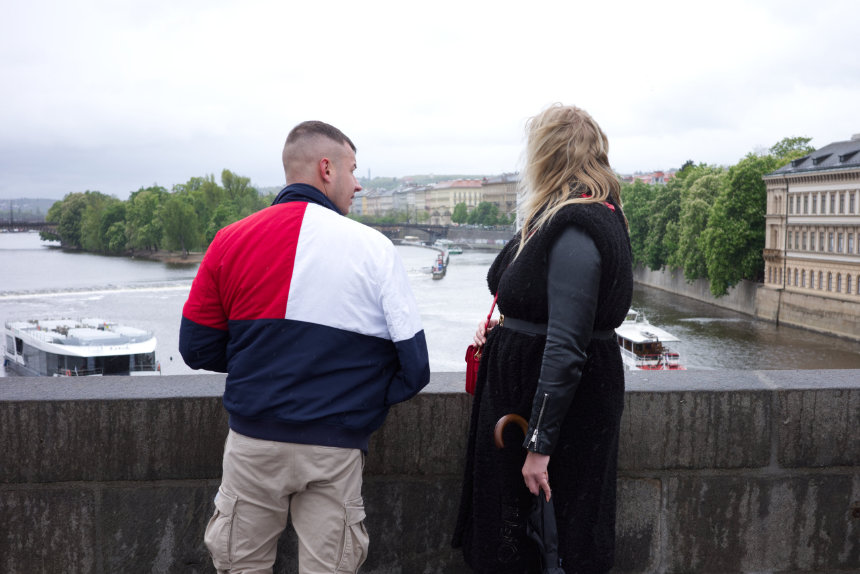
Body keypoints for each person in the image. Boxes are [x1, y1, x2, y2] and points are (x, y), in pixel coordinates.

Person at [179, 120, 430, 574]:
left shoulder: (230, 239)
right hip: (336, 446)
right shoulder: (375, 249)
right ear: (326, 169)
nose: (358, 185)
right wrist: (356, 397)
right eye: (354, 170)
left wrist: (259, 363)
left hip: (253, 443)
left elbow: (196, 348)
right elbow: (414, 368)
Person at [452, 104, 633, 574]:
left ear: (547, 155)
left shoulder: (577, 225)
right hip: (526, 407)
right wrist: (505, 329)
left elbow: (567, 344)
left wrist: (538, 445)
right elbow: (546, 313)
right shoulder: (565, 216)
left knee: (544, 544)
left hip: (545, 420)